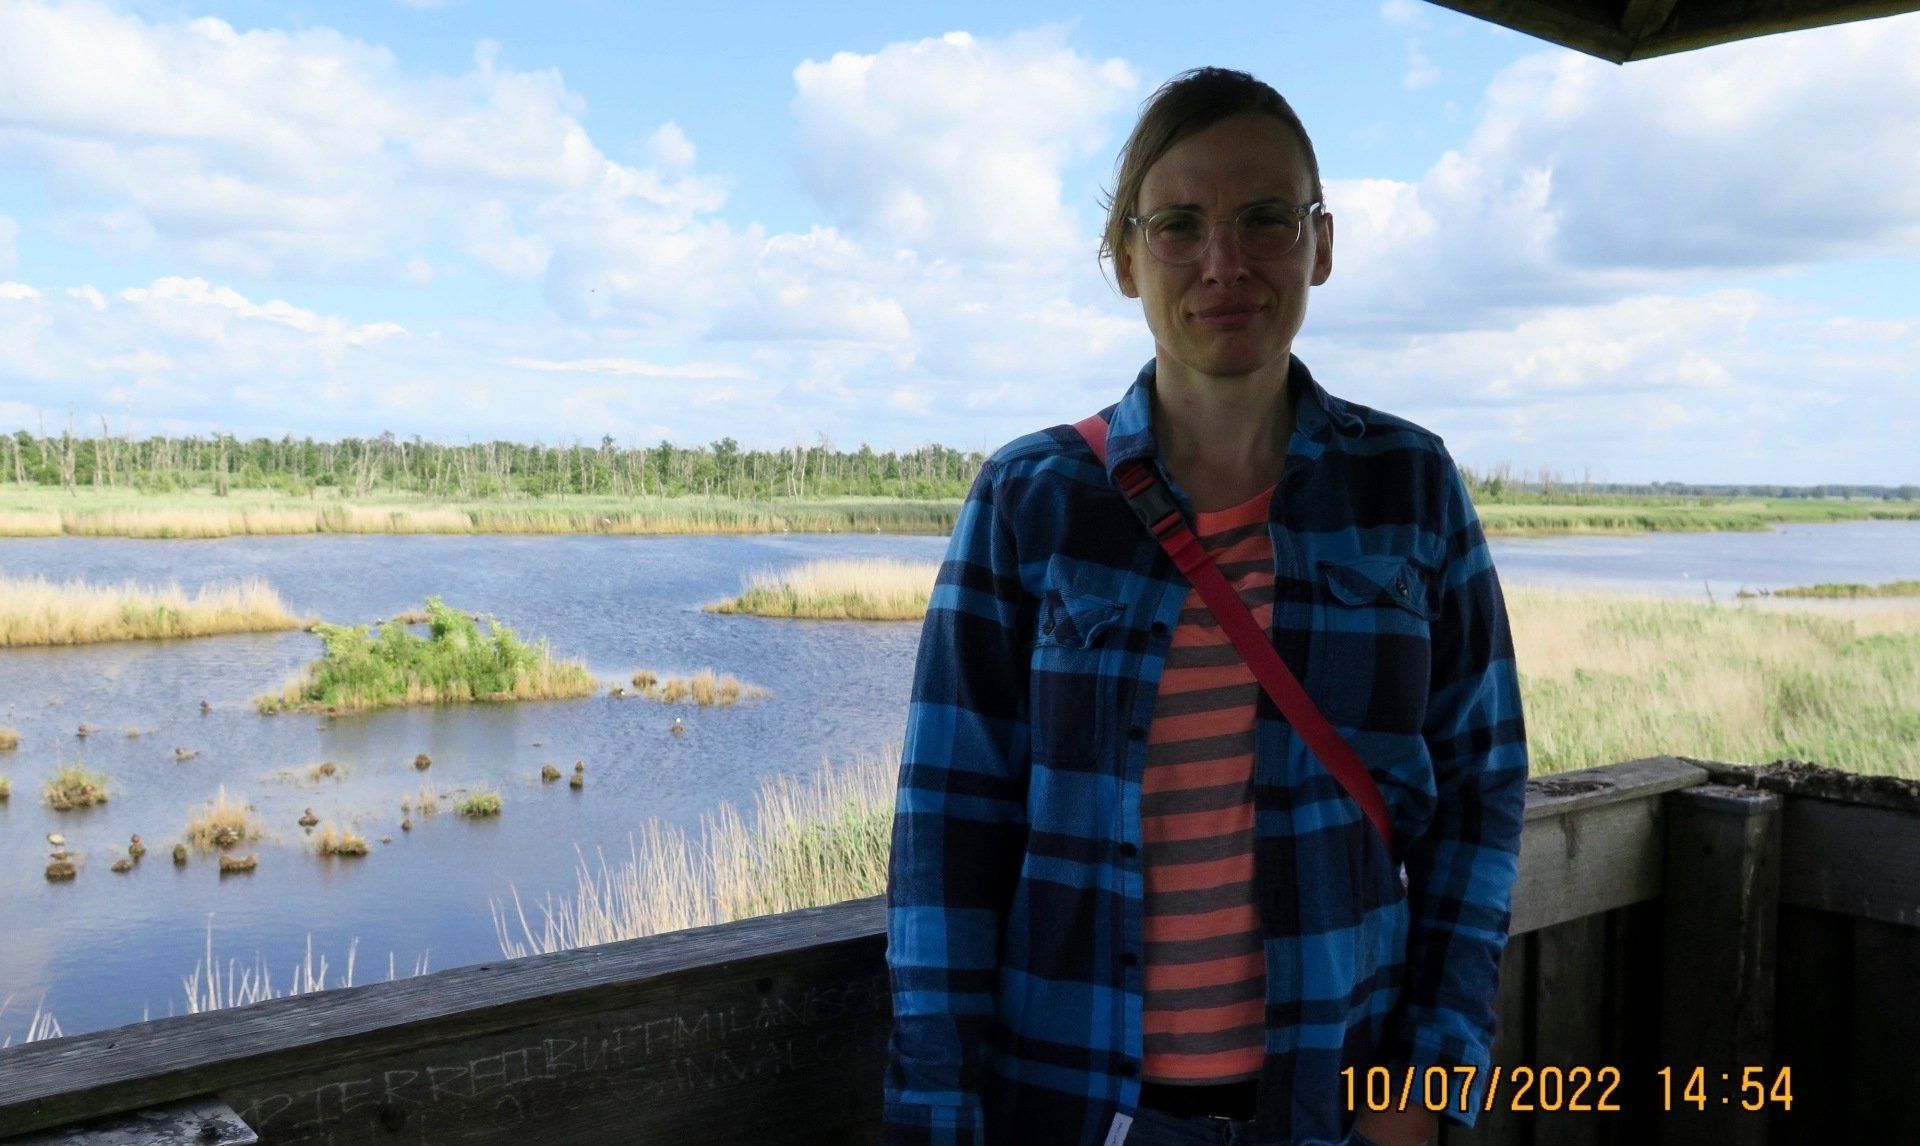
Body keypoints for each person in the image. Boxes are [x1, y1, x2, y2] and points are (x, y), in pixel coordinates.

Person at [883, 67, 1528, 1146]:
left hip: (1335, 1105)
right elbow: (946, 840)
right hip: (1075, 1106)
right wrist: (939, 1117)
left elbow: (1481, 793)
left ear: (1321, 243)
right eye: (1179, 225)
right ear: (1125, 260)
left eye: (1265, 218)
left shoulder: (1410, 487)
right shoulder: (1031, 499)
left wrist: (1428, 1078)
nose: (1224, 261)